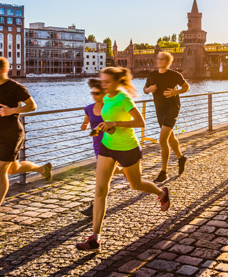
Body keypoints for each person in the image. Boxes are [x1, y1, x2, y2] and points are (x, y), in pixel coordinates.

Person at [76, 67, 169, 251]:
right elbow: (105, 120)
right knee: (100, 190)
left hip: (128, 148)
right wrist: (101, 128)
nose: (104, 85)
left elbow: (140, 122)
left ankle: (161, 192)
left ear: (117, 83)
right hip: (107, 146)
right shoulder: (106, 99)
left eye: (107, 82)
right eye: (102, 81)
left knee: (136, 184)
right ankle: (95, 238)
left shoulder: (123, 98)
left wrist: (115, 124)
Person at [0, 57, 52, 226]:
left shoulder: (15, 88)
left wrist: (12, 111)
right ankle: (43, 169)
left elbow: (32, 106)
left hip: (13, 133)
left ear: (3, 70)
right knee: (13, 169)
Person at [143, 51, 190, 182]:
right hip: (160, 109)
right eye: (158, 58)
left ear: (168, 61)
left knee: (162, 140)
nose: (159, 60)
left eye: (162, 59)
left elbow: (187, 87)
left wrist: (176, 91)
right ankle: (181, 158)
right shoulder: (152, 75)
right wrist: (149, 89)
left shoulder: (174, 75)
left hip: (172, 108)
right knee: (170, 138)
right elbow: (145, 89)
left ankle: (164, 172)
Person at [79, 78, 122, 217]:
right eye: (93, 92)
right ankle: (127, 172)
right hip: (98, 146)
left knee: (101, 176)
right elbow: (87, 119)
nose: (94, 95)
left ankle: (95, 205)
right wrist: (85, 125)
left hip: (112, 144)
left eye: (97, 92)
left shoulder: (110, 108)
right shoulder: (88, 108)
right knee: (110, 172)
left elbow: (119, 124)